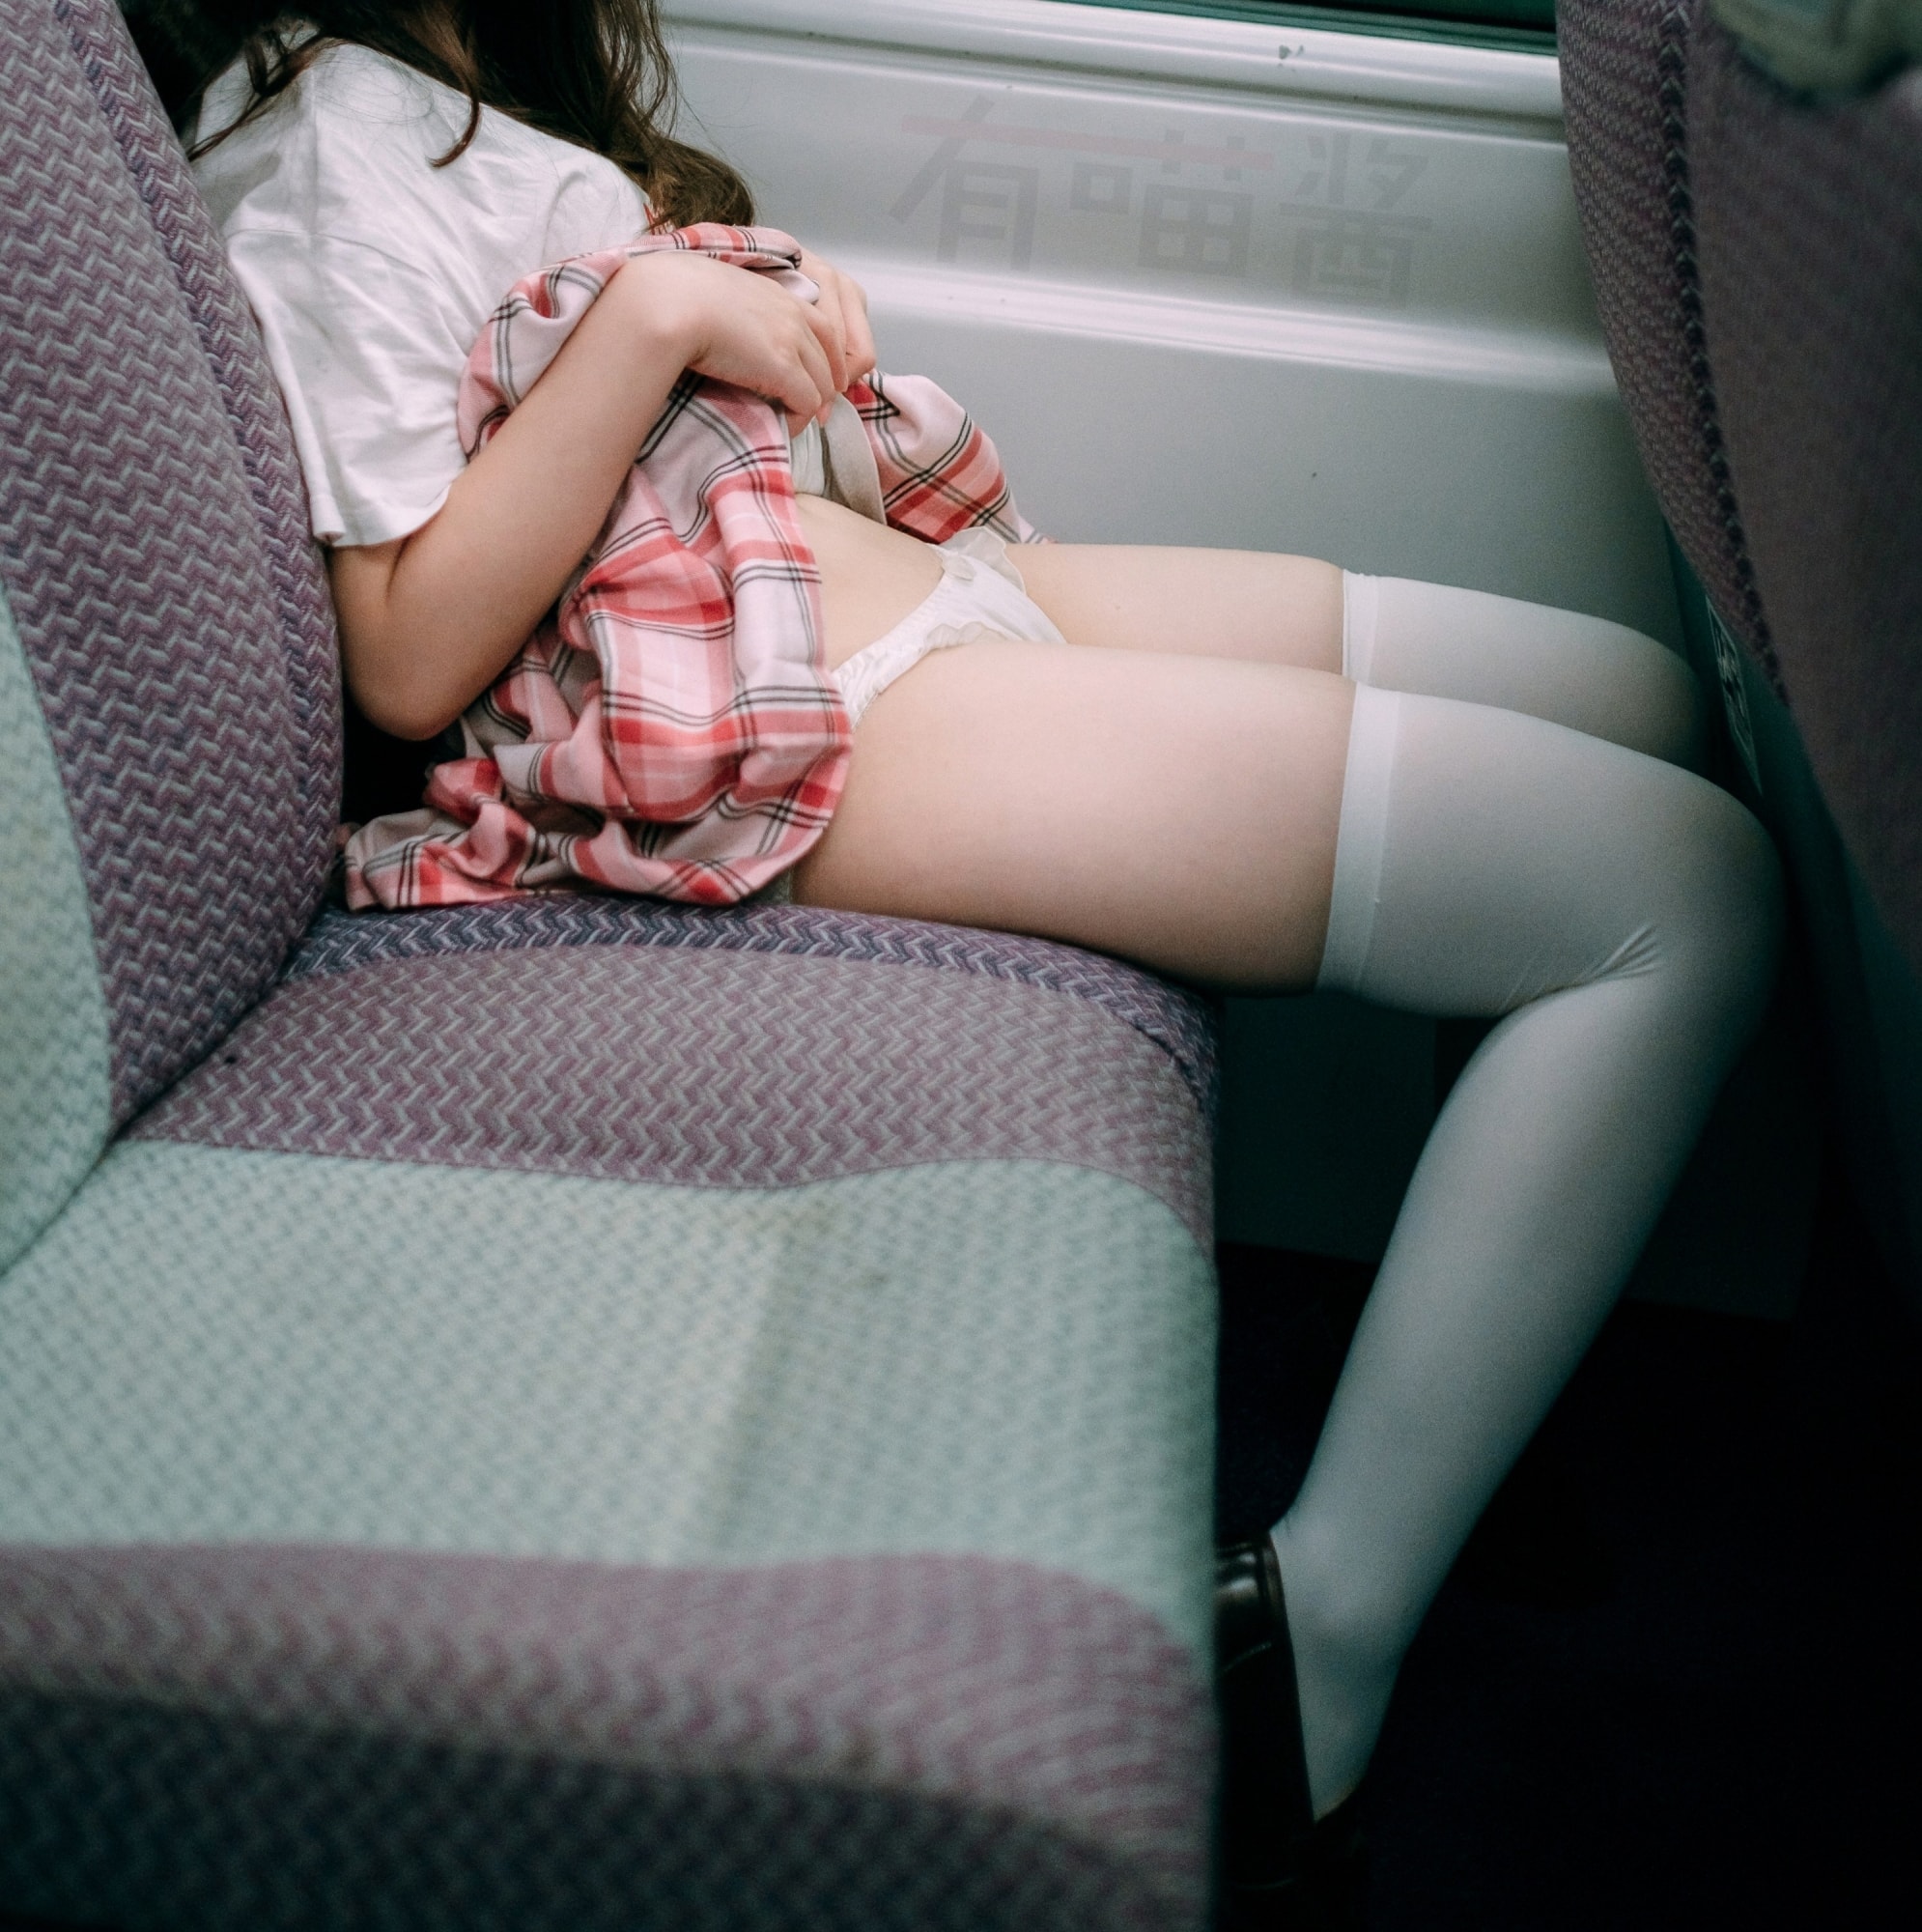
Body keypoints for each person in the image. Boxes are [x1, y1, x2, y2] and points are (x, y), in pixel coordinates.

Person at [151, 2, 1784, 1923]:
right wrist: (657, 317)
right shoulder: (320, 146)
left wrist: (736, 311)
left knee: (1639, 696)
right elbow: (412, 654)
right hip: (775, 721)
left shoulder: (470, 86)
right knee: (1677, 898)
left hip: (864, 587)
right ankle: (1311, 1637)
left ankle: (1470, 1389)